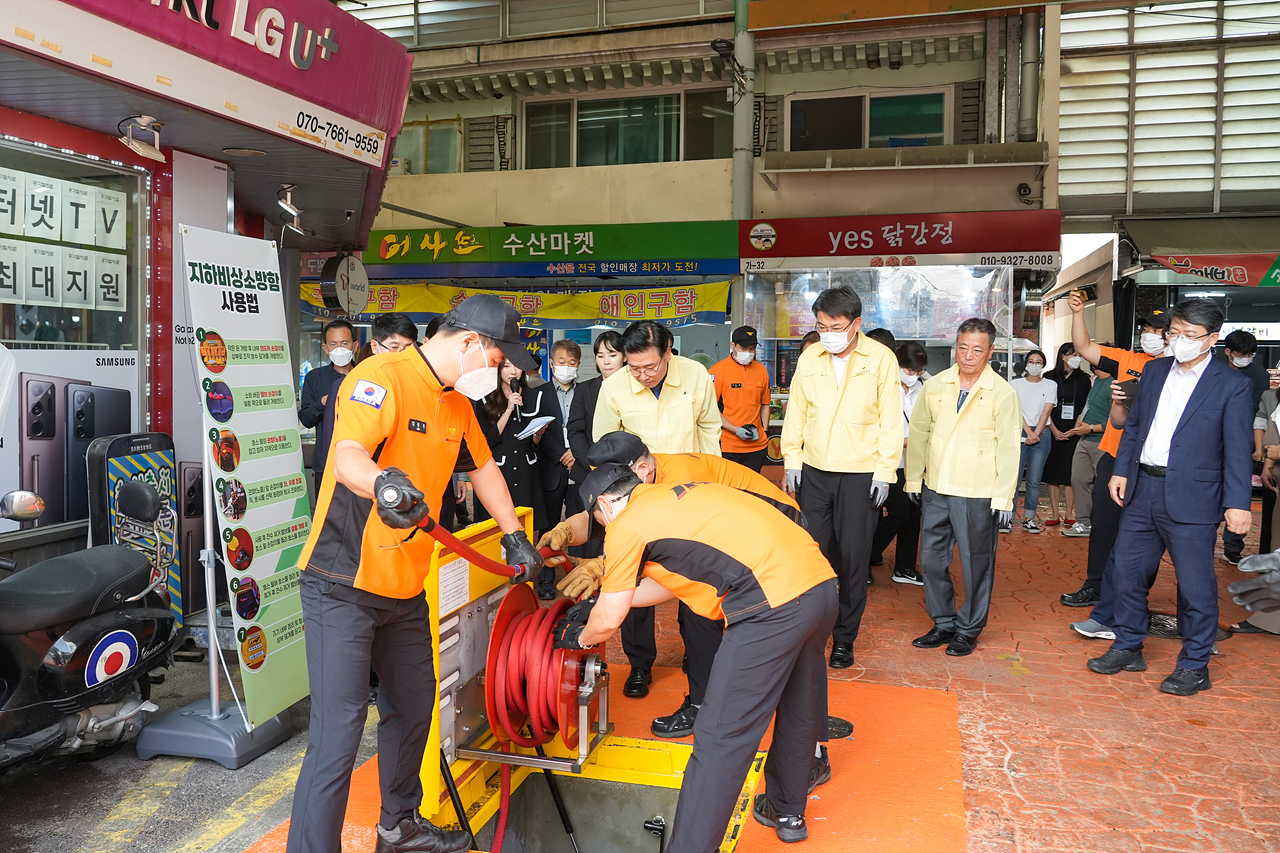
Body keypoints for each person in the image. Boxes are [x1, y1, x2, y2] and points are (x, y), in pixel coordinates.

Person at [286, 295, 544, 853]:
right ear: (471, 343)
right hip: (343, 582)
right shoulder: (382, 376)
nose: (499, 370)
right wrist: (382, 482)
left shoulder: (457, 403)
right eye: (498, 358)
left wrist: (514, 534)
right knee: (338, 733)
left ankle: (397, 826)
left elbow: (484, 468)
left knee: (412, 708)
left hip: (406, 587)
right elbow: (348, 453)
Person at [556, 465, 837, 851]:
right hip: (820, 585)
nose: (604, 529)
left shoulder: (625, 525)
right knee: (798, 702)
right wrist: (605, 601)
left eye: (598, 521)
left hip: (771, 605)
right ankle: (787, 810)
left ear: (604, 504)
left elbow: (607, 622)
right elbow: (668, 585)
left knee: (721, 735)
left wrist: (580, 637)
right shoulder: (673, 495)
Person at [540, 430, 808, 745]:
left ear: (639, 470)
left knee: (699, 609)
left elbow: (677, 565)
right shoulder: (641, 482)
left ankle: (702, 706)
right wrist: (565, 532)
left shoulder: (679, 478)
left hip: (779, 528)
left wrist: (605, 569)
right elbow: (599, 515)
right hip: (751, 534)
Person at [1087, 299, 1252, 696]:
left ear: (1212, 339)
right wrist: (1122, 470)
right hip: (1142, 488)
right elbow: (1135, 426)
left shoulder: (1232, 384)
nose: (1179, 341)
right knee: (1127, 573)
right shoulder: (1155, 371)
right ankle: (1128, 644)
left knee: (1195, 586)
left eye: (1189, 335)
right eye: (1174, 333)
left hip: (1194, 496)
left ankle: (1195, 664)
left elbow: (1238, 448)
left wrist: (1238, 503)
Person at [592, 320, 721, 699]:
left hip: (690, 495)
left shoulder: (696, 376)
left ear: (668, 353)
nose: (642, 375)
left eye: (650, 366)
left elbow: (709, 431)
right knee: (634, 576)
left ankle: (698, 655)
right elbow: (604, 447)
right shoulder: (614, 387)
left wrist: (711, 486)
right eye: (634, 368)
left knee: (697, 577)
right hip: (639, 500)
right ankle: (639, 664)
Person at [781, 286, 901, 669]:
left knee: (852, 558)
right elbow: (796, 411)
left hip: (860, 474)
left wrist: (885, 471)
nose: (828, 334)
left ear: (856, 324)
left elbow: (890, 419)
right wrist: (792, 459)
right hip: (814, 471)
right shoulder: (810, 357)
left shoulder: (880, 359)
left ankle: (844, 638)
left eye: (835, 327)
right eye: (821, 327)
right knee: (814, 553)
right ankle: (811, 631)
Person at [904, 318, 1021, 657]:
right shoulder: (936, 385)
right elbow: (920, 434)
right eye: (963, 347)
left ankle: (968, 628)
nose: (968, 356)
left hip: (977, 491)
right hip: (936, 487)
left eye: (977, 350)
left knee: (976, 563)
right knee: (931, 560)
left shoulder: (1002, 393)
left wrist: (1003, 498)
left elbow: (1009, 448)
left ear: (990, 352)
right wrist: (913, 478)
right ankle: (943, 622)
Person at [1059, 297, 1168, 613]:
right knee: (1104, 523)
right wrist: (1078, 313)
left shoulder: (1178, 371)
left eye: (1156, 330)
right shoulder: (1127, 359)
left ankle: (1135, 593)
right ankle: (1095, 585)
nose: (1149, 335)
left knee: (1147, 532)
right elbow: (1083, 346)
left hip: (1152, 462)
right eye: (1146, 329)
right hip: (1115, 454)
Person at [471, 359, 558, 546]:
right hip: (498, 471)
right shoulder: (485, 398)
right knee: (494, 525)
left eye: (517, 366)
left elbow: (534, 445)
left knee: (526, 523)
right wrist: (509, 409)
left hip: (526, 471)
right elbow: (487, 441)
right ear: (498, 368)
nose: (513, 372)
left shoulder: (534, 396)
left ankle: (526, 561)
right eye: (506, 366)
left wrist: (538, 434)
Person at [869, 342, 929, 585]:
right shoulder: (882, 386)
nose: (914, 375)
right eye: (910, 370)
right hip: (887, 460)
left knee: (913, 514)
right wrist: (901, 441)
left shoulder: (924, 387)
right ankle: (865, 555)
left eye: (919, 371)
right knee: (899, 512)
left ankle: (905, 567)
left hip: (913, 462)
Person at [565, 331, 625, 559]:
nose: (606, 361)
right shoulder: (585, 389)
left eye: (612, 354)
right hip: (588, 472)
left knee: (622, 535)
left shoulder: (635, 388)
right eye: (600, 356)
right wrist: (591, 462)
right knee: (592, 534)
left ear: (624, 356)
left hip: (626, 475)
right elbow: (575, 430)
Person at [536, 339, 587, 594]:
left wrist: (577, 453)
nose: (567, 367)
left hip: (580, 467)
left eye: (572, 363)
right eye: (562, 362)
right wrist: (561, 454)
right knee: (549, 526)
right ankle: (545, 578)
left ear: (578, 365)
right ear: (552, 363)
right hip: (551, 468)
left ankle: (580, 577)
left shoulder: (586, 392)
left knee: (580, 525)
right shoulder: (538, 393)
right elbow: (538, 431)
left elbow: (590, 427)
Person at [1221, 329, 1269, 565]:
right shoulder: (1213, 369)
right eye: (1241, 354)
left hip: (1242, 438)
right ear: (1228, 352)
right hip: (1211, 439)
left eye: (1249, 354)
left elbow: (1256, 409)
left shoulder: (1259, 375)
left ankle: (1233, 546)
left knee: (1240, 490)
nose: (1245, 358)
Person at [300, 319, 357, 495]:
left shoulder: (367, 376)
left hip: (361, 462)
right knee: (325, 510)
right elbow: (306, 419)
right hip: (326, 462)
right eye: (333, 344)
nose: (339, 348)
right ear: (325, 348)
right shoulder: (315, 378)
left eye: (344, 343)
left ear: (354, 346)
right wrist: (322, 403)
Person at [1042, 343, 1091, 528]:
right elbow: (1045, 408)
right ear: (1063, 356)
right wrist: (1054, 429)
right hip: (1053, 427)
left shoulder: (1084, 379)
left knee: (1072, 473)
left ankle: (1070, 513)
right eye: (1073, 354)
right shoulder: (1049, 378)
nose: (1077, 358)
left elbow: (1085, 406)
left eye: (1078, 355)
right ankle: (1055, 513)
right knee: (1053, 473)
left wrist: (1075, 429)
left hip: (1075, 429)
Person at [711, 325, 771, 472]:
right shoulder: (717, 371)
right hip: (728, 446)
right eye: (743, 349)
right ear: (732, 346)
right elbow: (710, 409)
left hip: (757, 446)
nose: (748, 353)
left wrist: (765, 431)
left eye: (752, 349)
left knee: (753, 486)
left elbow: (765, 404)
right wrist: (736, 430)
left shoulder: (762, 371)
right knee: (729, 486)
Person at [1062, 366, 1113, 538]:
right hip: (1084, 440)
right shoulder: (1096, 381)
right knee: (1078, 479)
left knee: (1102, 486)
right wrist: (1077, 428)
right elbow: (1088, 408)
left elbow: (1117, 422)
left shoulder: (1113, 383)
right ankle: (1084, 522)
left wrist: (1090, 428)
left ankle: (1104, 524)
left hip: (1102, 442)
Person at [1010, 350, 1056, 533]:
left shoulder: (1050, 385)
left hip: (1041, 433)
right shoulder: (1015, 384)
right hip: (1019, 431)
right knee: (1013, 478)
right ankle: (1008, 518)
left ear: (1043, 365)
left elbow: (1047, 411)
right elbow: (1015, 409)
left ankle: (1029, 519)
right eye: (1031, 361)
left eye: (1038, 362)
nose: (1034, 365)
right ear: (1026, 364)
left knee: (1034, 480)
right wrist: (1029, 432)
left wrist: (1036, 433)